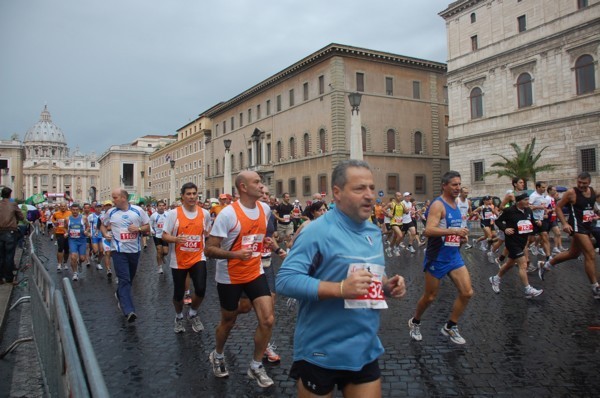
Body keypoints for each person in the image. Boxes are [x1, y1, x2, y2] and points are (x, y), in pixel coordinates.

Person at [276, 160, 406, 397]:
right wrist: (340, 288)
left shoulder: (374, 232)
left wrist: (386, 286)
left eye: (371, 188)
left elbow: (371, 274)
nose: (369, 196)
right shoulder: (316, 231)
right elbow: (285, 279)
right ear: (337, 192)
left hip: (364, 348)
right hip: (320, 351)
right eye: (359, 189)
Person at [204, 171, 276, 387]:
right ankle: (217, 355)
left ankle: (255, 365)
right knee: (229, 320)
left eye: (261, 182)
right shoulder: (228, 214)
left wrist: (270, 242)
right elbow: (209, 249)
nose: (262, 186)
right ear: (243, 187)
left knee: (268, 319)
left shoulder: (264, 209)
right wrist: (235, 254)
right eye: (257, 182)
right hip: (230, 276)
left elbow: (258, 237)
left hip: (255, 271)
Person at [408, 170, 473, 345]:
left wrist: (461, 236)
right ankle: (415, 321)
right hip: (437, 257)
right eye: (454, 185)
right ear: (444, 186)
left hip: (454, 257)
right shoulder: (438, 205)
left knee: (467, 293)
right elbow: (428, 230)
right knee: (430, 297)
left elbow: (454, 231)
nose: (458, 188)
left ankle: (450, 326)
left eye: (459, 184)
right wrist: (454, 231)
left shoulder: (457, 204)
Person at [538, 172, 600, 299]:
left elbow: (591, 205)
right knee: (590, 254)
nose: (581, 185)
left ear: (589, 183)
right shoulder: (572, 193)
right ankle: (595, 287)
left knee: (573, 254)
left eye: (584, 183)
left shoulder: (593, 192)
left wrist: (596, 212)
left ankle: (547, 265)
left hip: (587, 226)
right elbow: (558, 207)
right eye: (579, 183)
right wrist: (565, 223)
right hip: (576, 227)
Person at [162, 183, 211, 334]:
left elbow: (207, 233)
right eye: (188, 194)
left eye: (194, 194)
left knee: (201, 289)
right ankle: (178, 316)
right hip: (179, 260)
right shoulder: (173, 214)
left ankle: (193, 313)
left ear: (198, 195)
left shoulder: (205, 214)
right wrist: (176, 240)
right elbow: (164, 235)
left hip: (198, 257)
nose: (191, 197)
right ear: (182, 196)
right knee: (178, 294)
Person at [101, 189, 150, 322]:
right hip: (118, 251)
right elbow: (103, 225)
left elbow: (147, 227)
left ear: (123, 198)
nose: (113, 200)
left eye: (115, 197)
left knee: (130, 279)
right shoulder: (110, 212)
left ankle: (119, 294)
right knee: (124, 280)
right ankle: (129, 311)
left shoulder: (138, 211)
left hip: (134, 251)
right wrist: (105, 234)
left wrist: (138, 229)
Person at [488, 193, 543, 298]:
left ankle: (495, 278)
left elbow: (531, 222)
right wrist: (505, 229)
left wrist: (537, 223)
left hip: (522, 241)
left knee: (509, 264)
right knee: (523, 265)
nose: (528, 202)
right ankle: (528, 289)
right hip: (512, 242)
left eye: (528, 200)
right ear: (519, 201)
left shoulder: (528, 211)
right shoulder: (509, 211)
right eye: (526, 200)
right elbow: (498, 221)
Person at [0, 187, 24, 284]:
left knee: (1, 255)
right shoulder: (13, 204)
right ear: (10, 195)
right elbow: (21, 216)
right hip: (10, 231)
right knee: (9, 255)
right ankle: (9, 278)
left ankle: (0, 278)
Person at [65, 203, 90, 281]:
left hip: (82, 240)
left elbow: (88, 226)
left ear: (79, 210)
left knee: (83, 258)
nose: (75, 211)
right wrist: (66, 233)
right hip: (72, 240)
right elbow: (65, 227)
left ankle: (80, 263)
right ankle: (75, 273)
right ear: (71, 210)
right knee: (73, 257)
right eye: (73, 210)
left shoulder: (84, 218)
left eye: (76, 210)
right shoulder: (67, 219)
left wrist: (86, 231)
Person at [51, 203, 72, 272]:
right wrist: (55, 222)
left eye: (64, 206)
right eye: (62, 206)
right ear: (60, 207)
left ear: (66, 207)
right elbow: (53, 220)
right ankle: (59, 264)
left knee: (67, 249)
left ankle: (65, 262)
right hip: (59, 233)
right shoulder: (56, 213)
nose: (63, 207)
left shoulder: (70, 213)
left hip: (68, 233)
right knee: (60, 248)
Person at [150, 200, 169, 274]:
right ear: (157, 207)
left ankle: (163, 256)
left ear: (165, 206)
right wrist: (152, 230)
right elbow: (150, 224)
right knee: (159, 250)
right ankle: (160, 267)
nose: (161, 207)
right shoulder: (153, 215)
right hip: (157, 235)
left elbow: (171, 223)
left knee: (166, 251)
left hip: (165, 235)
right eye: (159, 206)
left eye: (162, 205)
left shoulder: (168, 214)